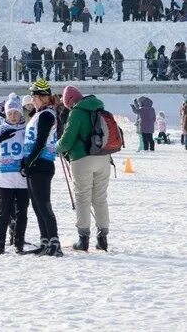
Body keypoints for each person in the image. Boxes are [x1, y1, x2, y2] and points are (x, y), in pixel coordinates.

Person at [57, 86, 111, 252]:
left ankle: (83, 239)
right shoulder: (99, 108)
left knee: (83, 198)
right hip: (104, 157)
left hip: (82, 159)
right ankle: (103, 239)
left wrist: (57, 146)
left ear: (70, 101)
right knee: (100, 198)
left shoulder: (76, 113)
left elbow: (67, 141)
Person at [0, 94, 29, 254]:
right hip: (5, 179)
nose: (13, 116)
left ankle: (19, 242)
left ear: (21, 113)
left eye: (16, 113)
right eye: (10, 113)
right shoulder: (1, 129)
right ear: (6, 114)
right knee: (4, 213)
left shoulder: (26, 129)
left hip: (22, 178)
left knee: (22, 213)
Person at [20, 79, 62, 257]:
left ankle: (54, 242)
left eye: (35, 96)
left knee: (44, 206)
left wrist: (30, 162)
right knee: (37, 206)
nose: (32, 99)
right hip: (34, 163)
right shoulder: (38, 114)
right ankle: (45, 241)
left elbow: (41, 141)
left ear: (43, 98)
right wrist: (26, 161)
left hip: (42, 164)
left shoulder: (46, 115)